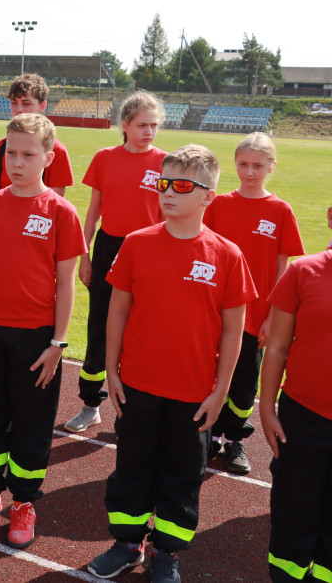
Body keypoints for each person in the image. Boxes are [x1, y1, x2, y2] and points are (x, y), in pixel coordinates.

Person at [87, 145, 255, 582]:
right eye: (164, 183)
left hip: (194, 395)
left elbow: (235, 331)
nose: (168, 193)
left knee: (181, 479)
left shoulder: (227, 255)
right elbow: (117, 311)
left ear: (208, 197)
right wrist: (111, 369)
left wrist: (220, 392)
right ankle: (127, 544)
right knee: (132, 469)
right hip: (138, 385)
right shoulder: (138, 244)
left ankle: (166, 554)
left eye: (182, 186)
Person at [0, 113, 84, 547]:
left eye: (28, 154)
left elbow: (67, 284)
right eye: (11, 152)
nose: (17, 162)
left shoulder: (62, 212)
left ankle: (24, 503)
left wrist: (57, 343)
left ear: (49, 157)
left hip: (36, 338)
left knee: (31, 423)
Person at [65, 91, 168, 434]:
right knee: (100, 329)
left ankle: (136, 408)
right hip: (109, 249)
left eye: (154, 125)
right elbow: (93, 209)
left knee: (144, 332)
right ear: (125, 125)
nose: (149, 131)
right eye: (142, 125)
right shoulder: (104, 157)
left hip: (150, 252)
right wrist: (84, 255)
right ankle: (90, 404)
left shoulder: (167, 162)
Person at [203, 132, 304, 474]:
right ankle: (211, 435)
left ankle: (234, 439)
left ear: (271, 167)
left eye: (258, 165)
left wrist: (273, 316)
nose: (249, 172)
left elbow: (282, 268)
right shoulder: (218, 205)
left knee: (246, 380)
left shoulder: (280, 210)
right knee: (212, 373)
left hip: (257, 313)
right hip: (216, 309)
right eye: (243, 164)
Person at [260, 243, 332, 582]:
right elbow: (276, 345)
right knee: (293, 510)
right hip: (302, 417)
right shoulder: (303, 271)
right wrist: (266, 407)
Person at [0, 74, 73, 196]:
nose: (18, 109)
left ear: (42, 106)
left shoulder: (57, 151)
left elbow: (56, 206)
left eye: (26, 103)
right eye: (14, 103)